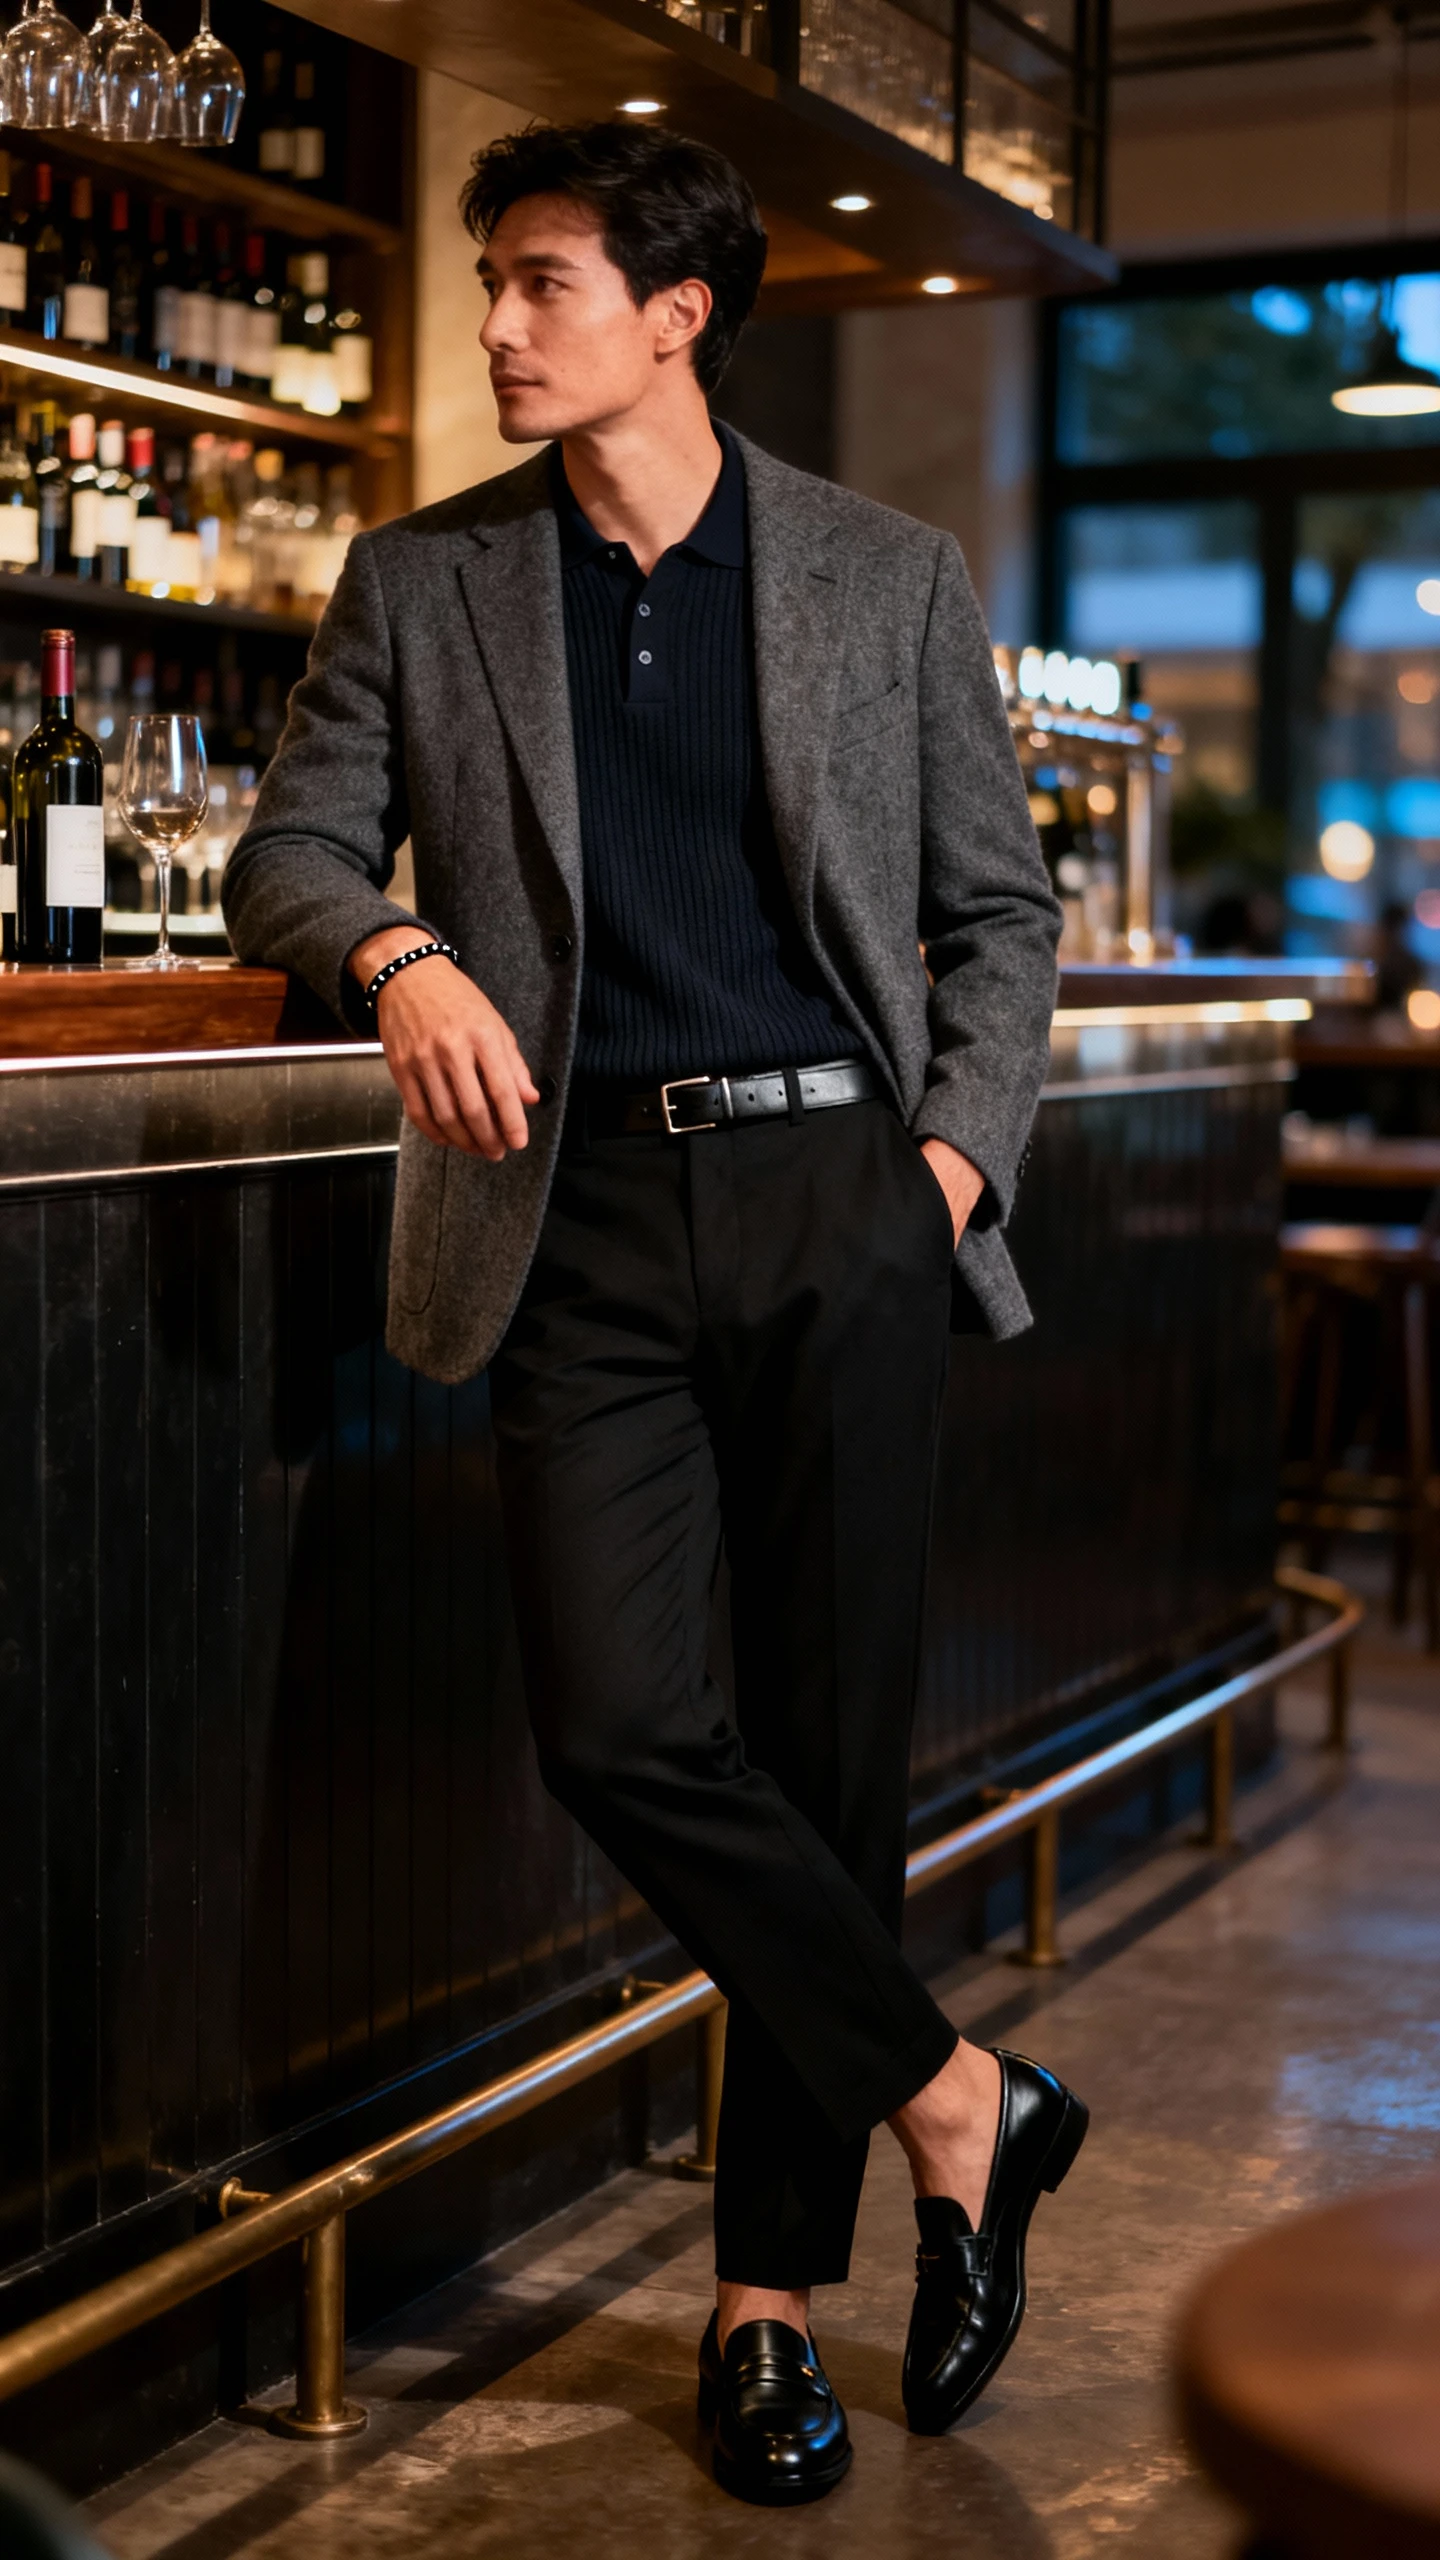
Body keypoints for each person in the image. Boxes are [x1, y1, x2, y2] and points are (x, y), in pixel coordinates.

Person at [223, 119, 1086, 2508]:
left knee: (827, 1759)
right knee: (620, 1722)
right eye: (492, 281)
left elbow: (1000, 914)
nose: (499, 325)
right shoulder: (426, 578)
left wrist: (939, 1169)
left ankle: (764, 2299)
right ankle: (963, 2099)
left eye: (543, 282)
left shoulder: (883, 573)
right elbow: (291, 850)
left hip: (842, 1195)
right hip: (571, 1210)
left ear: (677, 314)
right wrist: (398, 953)